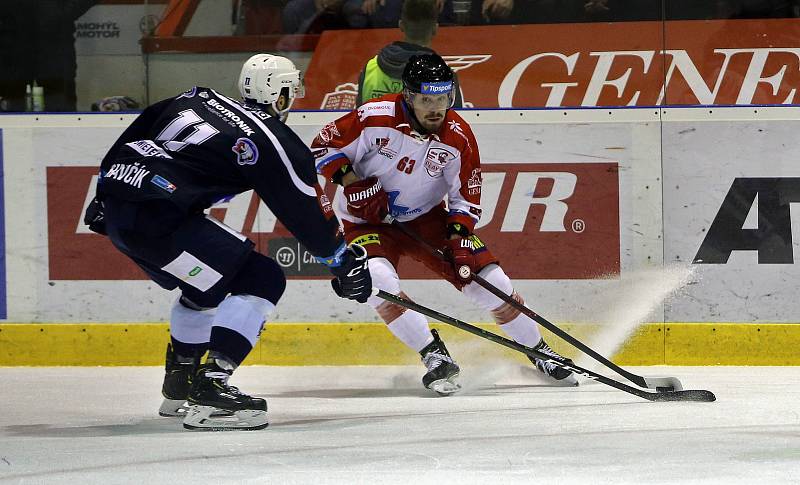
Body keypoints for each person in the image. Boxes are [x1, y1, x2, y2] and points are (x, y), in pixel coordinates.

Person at [83, 54, 372, 430]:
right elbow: (304, 209)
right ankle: (211, 386)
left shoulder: (194, 97)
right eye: (291, 91)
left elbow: (135, 134)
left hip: (122, 210)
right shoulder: (271, 138)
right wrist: (341, 260)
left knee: (205, 286)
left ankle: (180, 384)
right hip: (159, 215)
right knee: (262, 278)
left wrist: (105, 191)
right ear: (281, 96)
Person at [311, 54, 577, 395]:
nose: (436, 107)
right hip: (365, 221)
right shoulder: (373, 117)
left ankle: (540, 351)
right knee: (377, 282)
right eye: (426, 99)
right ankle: (433, 354)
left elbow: (466, 199)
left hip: (425, 217)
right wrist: (350, 182)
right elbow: (320, 147)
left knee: (488, 279)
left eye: (443, 98)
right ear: (408, 95)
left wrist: (459, 238)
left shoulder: (458, 137)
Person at [356, 0, 462, 107]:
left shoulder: (370, 69)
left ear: (401, 25)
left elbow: (357, 118)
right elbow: (455, 122)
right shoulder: (445, 77)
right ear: (435, 29)